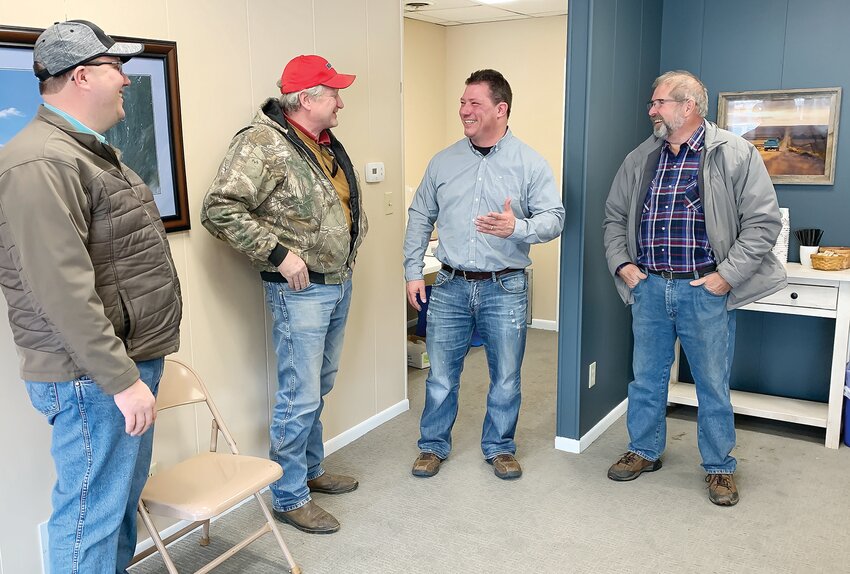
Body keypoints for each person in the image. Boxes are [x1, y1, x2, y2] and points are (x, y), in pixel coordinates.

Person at [0, 20, 183, 572]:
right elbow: (61, 291)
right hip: (92, 379)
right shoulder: (41, 162)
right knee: (90, 521)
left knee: (115, 509)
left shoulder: (88, 152)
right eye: (115, 68)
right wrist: (121, 380)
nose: (126, 80)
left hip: (116, 369)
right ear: (81, 76)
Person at [602, 70, 786, 506]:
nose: (652, 110)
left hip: (704, 291)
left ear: (688, 106)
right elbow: (613, 217)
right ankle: (644, 450)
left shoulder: (735, 154)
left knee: (711, 384)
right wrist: (622, 264)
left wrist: (727, 276)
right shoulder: (641, 157)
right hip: (649, 288)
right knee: (646, 380)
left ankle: (719, 466)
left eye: (659, 102)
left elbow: (764, 224)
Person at [201, 55, 366, 534]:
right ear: (307, 98)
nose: (340, 101)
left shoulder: (319, 141)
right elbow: (219, 209)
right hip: (300, 289)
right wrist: (278, 254)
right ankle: (290, 495)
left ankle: (311, 471)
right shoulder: (262, 143)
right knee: (300, 393)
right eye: (333, 92)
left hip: (336, 281)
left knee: (319, 385)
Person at [403, 69, 564, 480]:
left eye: (474, 103)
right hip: (451, 284)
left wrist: (518, 228)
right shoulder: (443, 161)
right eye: (462, 102)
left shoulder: (529, 163)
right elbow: (421, 215)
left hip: (505, 286)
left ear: (500, 109)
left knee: (506, 376)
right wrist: (412, 270)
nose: (464, 111)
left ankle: (500, 447)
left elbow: (555, 218)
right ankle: (433, 446)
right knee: (440, 376)